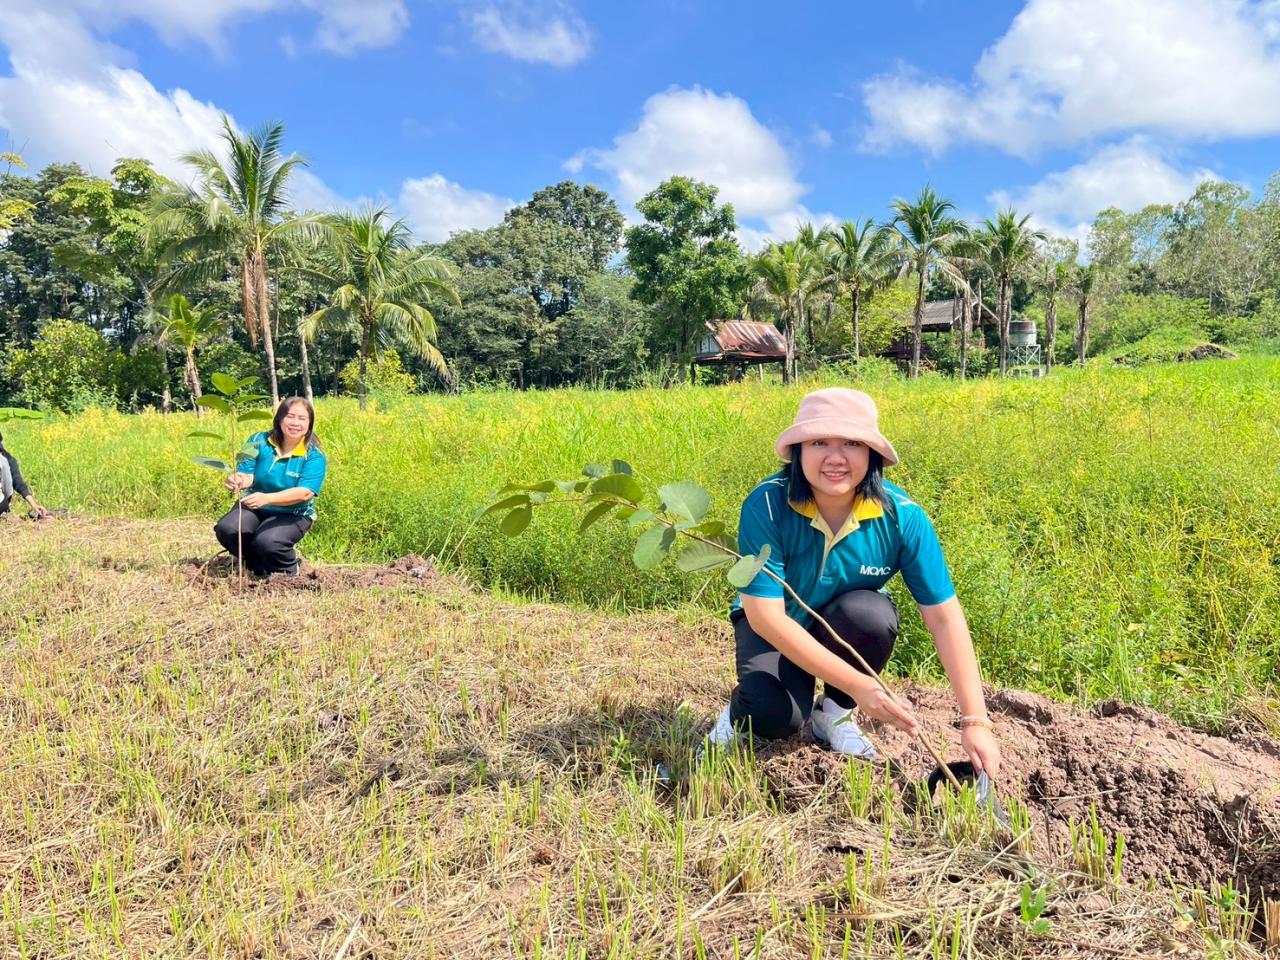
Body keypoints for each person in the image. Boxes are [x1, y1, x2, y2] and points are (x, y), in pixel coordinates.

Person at [704, 388, 1001, 776]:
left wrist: (975, 722)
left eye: (852, 443)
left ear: (872, 454)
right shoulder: (768, 505)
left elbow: (945, 618)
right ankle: (739, 713)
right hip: (777, 624)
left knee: (871, 614)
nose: (835, 457)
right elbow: (765, 618)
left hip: (841, 622)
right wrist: (861, 685)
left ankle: (834, 715)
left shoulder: (903, 518)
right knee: (774, 717)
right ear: (799, 451)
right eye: (819, 442)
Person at [214, 397, 327, 576]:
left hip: (293, 514)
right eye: (290, 416)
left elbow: (304, 493)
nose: (295, 423)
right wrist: (238, 479)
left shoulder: (314, 456)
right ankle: (255, 566)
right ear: (279, 418)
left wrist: (267, 498)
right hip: (254, 506)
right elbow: (247, 474)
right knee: (228, 529)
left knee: (268, 542)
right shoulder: (257, 440)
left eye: (302, 418)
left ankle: (289, 570)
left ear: (309, 423)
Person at [0, 431, 51, 520]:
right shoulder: (6, 459)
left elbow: (18, 483)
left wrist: (34, 505)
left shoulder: (6, 460)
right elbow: (16, 485)